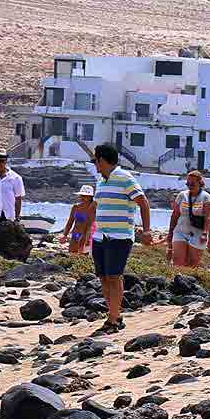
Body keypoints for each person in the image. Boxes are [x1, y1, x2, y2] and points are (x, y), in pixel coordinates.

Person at [88, 142, 153, 332]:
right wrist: (83, 230)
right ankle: (115, 313)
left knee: (114, 276)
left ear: (101, 160)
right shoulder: (101, 181)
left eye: (96, 162)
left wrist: (147, 230)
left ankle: (113, 319)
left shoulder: (125, 178)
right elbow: (95, 206)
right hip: (100, 236)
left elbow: (143, 202)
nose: (95, 166)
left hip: (119, 236)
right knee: (103, 277)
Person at [168, 170, 210, 269]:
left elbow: (208, 217)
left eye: (192, 183)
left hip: (198, 233)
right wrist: (170, 233)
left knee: (192, 263)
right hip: (180, 231)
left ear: (199, 183)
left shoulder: (206, 197)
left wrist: (205, 233)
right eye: (188, 183)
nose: (189, 185)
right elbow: (175, 215)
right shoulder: (182, 195)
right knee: (178, 262)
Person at [0, 153, 24, 234]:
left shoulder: (16, 178)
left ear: (5, 162)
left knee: (5, 241)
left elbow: (18, 198)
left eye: (1, 161)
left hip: (8, 215)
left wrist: (17, 216)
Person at [60, 185, 96, 255]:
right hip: (75, 235)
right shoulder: (76, 207)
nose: (82, 197)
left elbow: (91, 225)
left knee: (83, 257)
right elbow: (70, 222)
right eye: (81, 195)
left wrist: (87, 239)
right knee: (72, 255)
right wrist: (64, 235)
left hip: (87, 237)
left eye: (85, 196)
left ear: (90, 197)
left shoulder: (94, 208)